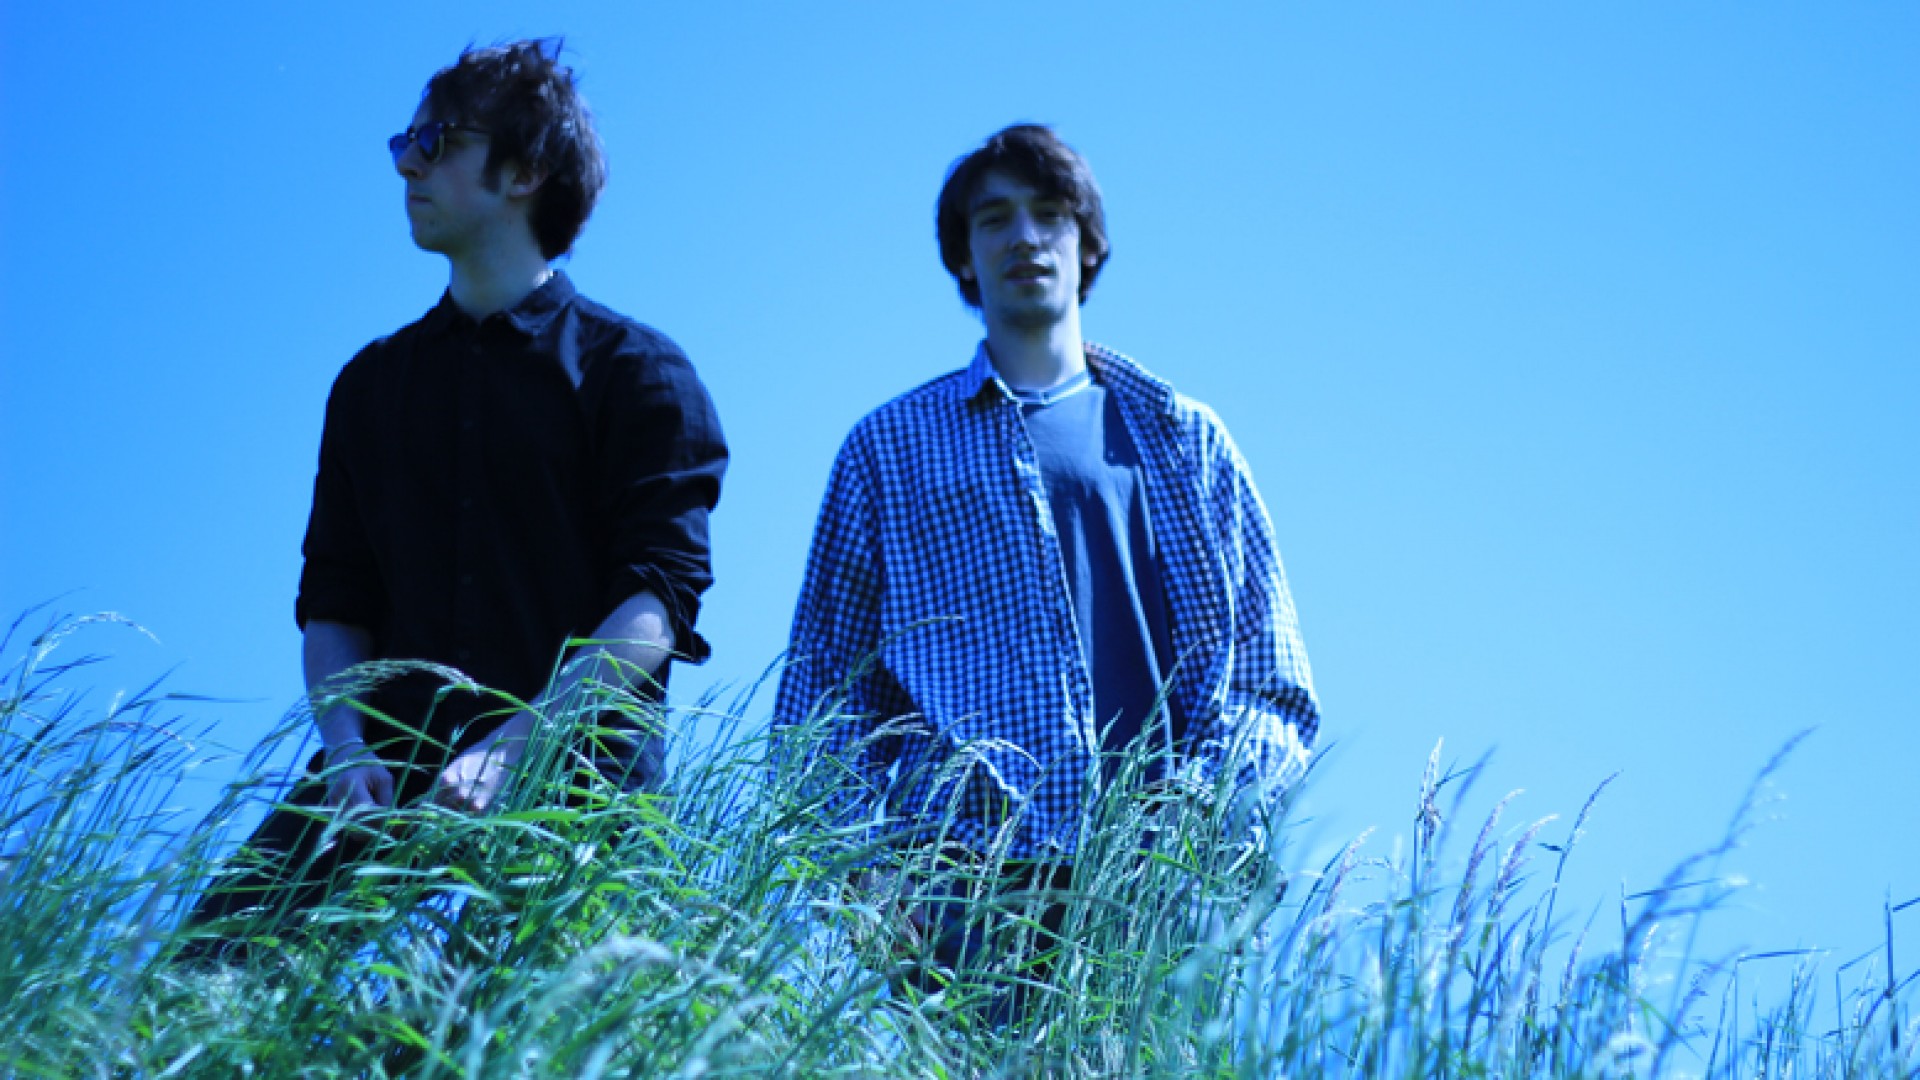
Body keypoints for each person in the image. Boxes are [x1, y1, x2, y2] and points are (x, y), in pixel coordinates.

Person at [183, 40, 727, 955]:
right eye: (405, 141)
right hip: (380, 771)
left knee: (506, 1022)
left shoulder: (638, 372)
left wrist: (516, 747)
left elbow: (656, 606)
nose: (407, 163)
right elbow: (335, 601)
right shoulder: (370, 387)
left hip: (576, 782)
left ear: (525, 171)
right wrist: (348, 747)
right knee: (197, 982)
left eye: (436, 141)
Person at [774, 124, 1319, 1012]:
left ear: (1086, 241)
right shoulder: (889, 450)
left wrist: (1203, 825)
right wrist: (863, 878)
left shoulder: (1187, 440)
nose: (1024, 237)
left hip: (1163, 888)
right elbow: (822, 699)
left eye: (1049, 214)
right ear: (964, 256)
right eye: (994, 220)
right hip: (963, 896)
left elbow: (1272, 682)